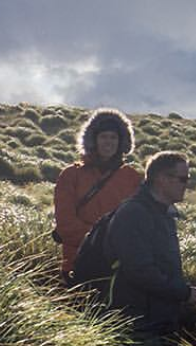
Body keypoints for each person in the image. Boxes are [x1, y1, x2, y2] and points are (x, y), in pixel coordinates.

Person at [104, 151, 196, 335]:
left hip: (158, 318)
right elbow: (140, 271)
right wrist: (185, 294)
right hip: (136, 323)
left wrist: (190, 293)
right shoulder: (133, 214)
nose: (186, 185)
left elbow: (163, 268)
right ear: (161, 179)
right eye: (182, 179)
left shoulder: (164, 214)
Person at [54, 108, 142, 283]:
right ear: (93, 140)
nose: (108, 142)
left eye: (113, 137)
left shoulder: (133, 178)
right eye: (103, 136)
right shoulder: (71, 175)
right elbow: (66, 225)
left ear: (122, 142)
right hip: (77, 265)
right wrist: (105, 245)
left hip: (119, 270)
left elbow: (140, 225)